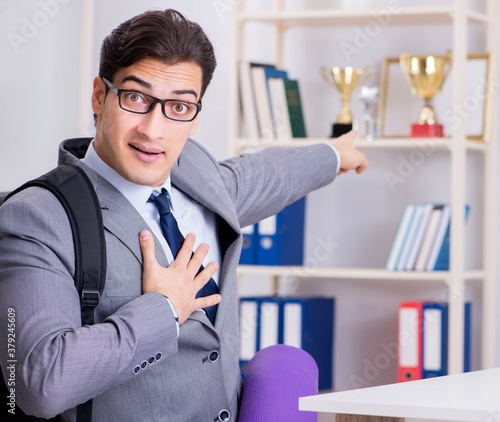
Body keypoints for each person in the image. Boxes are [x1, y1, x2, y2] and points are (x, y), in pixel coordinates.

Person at [0, 8, 368, 422]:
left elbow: (264, 177)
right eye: (136, 98)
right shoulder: (37, 218)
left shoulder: (195, 174)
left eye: (178, 107)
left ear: (194, 116)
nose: (154, 131)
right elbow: (37, 383)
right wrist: (164, 308)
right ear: (99, 97)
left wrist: (335, 154)